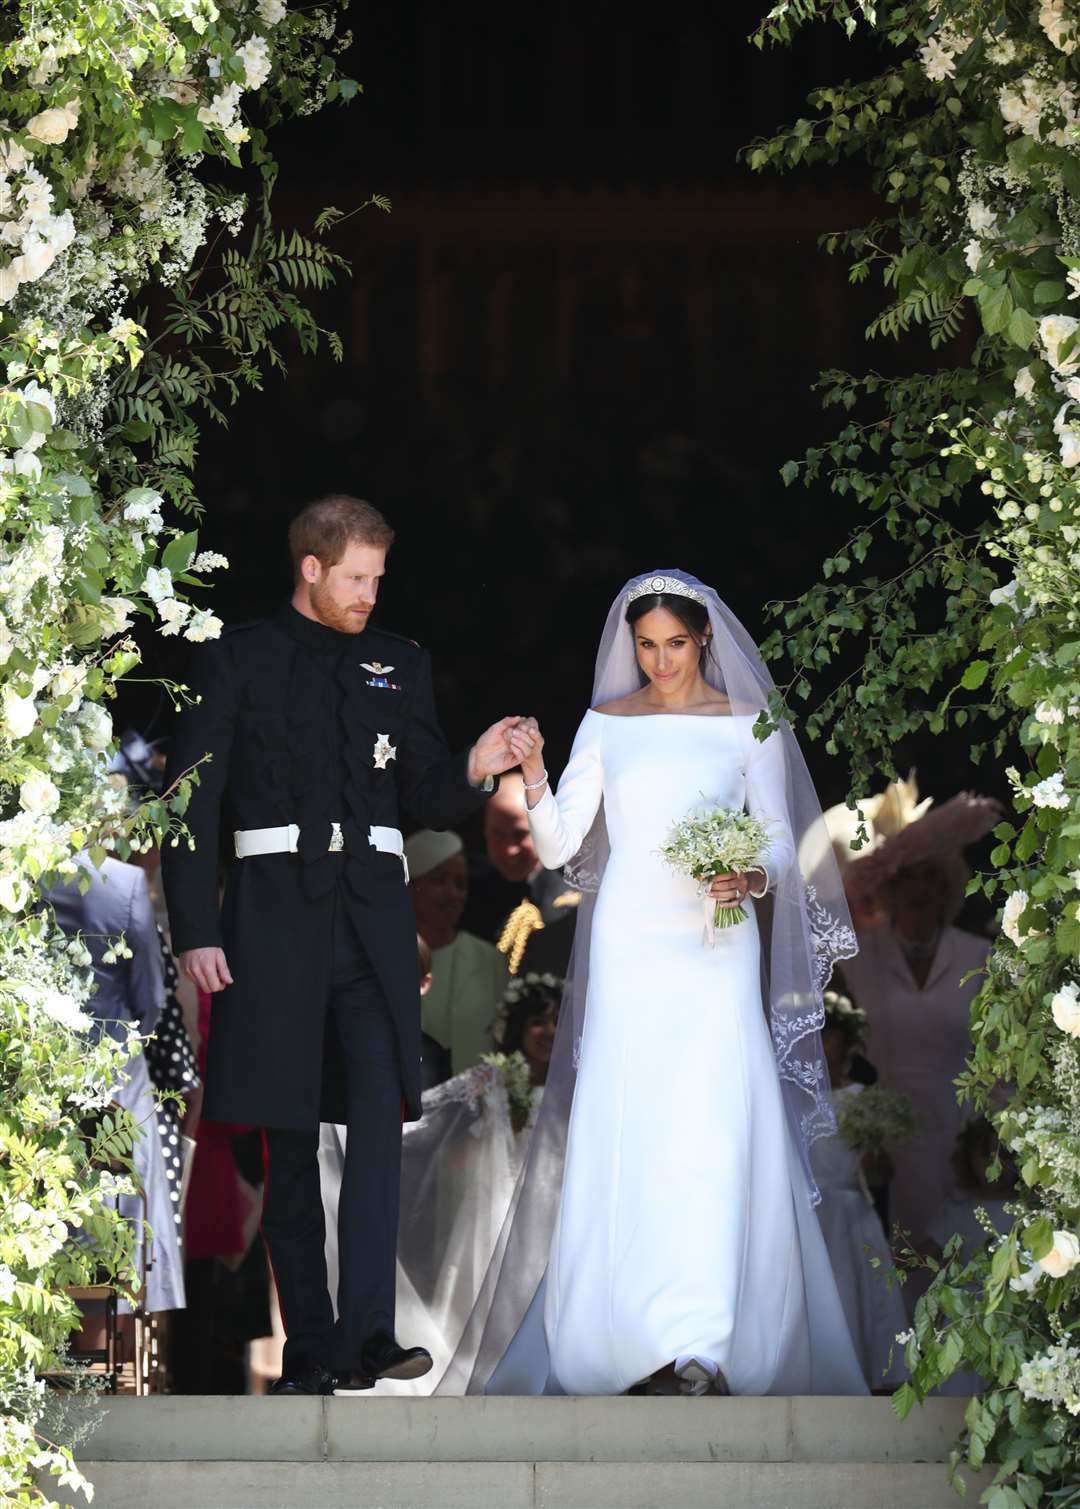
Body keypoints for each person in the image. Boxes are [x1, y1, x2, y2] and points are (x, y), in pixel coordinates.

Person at [439, 569, 867, 1399]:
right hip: (634, 940)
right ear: (629, 646)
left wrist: (751, 871)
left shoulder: (749, 722)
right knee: (630, 1121)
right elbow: (562, 844)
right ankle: (626, 1337)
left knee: (712, 1125)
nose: (660, 661)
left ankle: (709, 1339)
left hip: (716, 941)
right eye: (646, 646)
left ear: (704, 637)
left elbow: (784, 840)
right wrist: (533, 770)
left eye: (674, 643)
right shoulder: (608, 721)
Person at [161, 494, 524, 1397]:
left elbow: (430, 795)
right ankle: (311, 1348)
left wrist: (476, 765)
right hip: (272, 919)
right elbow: (192, 802)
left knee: (374, 1123)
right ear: (312, 568)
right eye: (357, 578)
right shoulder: (237, 656)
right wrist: (196, 931)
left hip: (371, 922)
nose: (370, 595)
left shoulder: (398, 664)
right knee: (287, 1136)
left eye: (378, 579)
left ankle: (369, 1334)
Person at [831, 781, 999, 1260]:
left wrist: (997, 1140)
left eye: (929, 877)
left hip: (965, 1135)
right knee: (899, 1267)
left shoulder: (980, 956)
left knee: (962, 1259)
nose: (919, 889)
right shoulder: (860, 956)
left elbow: (1000, 1060)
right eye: (907, 877)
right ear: (889, 886)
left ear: (946, 883)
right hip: (886, 1140)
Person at [43, 855, 186, 1317]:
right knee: (119, 1197)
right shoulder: (122, 883)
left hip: (39, 1062)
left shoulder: (18, 870)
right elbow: (151, 997)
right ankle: (118, 1320)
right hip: (113, 1061)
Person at [810, 992, 908, 1393]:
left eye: (833, 1037)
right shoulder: (796, 1096)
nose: (825, 1045)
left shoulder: (863, 1099)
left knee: (862, 1294)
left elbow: (886, 1173)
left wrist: (874, 1156)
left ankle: (868, 1376)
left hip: (851, 1208)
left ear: (847, 1043)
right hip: (813, 1209)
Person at [405, 829, 508, 1083]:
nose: (452, 894)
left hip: (474, 1113)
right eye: (439, 881)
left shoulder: (490, 960)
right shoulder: (386, 955)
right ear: (411, 886)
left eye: (460, 884)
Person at [463, 772, 579, 975]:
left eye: (520, 834)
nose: (510, 849)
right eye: (498, 834)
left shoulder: (573, 891)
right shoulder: (470, 895)